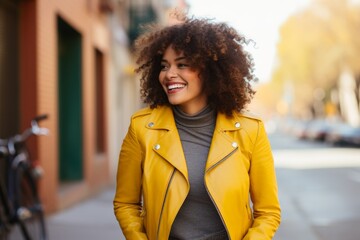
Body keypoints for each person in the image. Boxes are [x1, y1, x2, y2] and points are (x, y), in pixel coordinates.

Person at [113, 12, 281, 240]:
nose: (169, 74)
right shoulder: (141, 129)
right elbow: (126, 203)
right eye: (164, 66)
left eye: (182, 65)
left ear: (211, 70)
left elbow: (268, 212)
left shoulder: (251, 131)